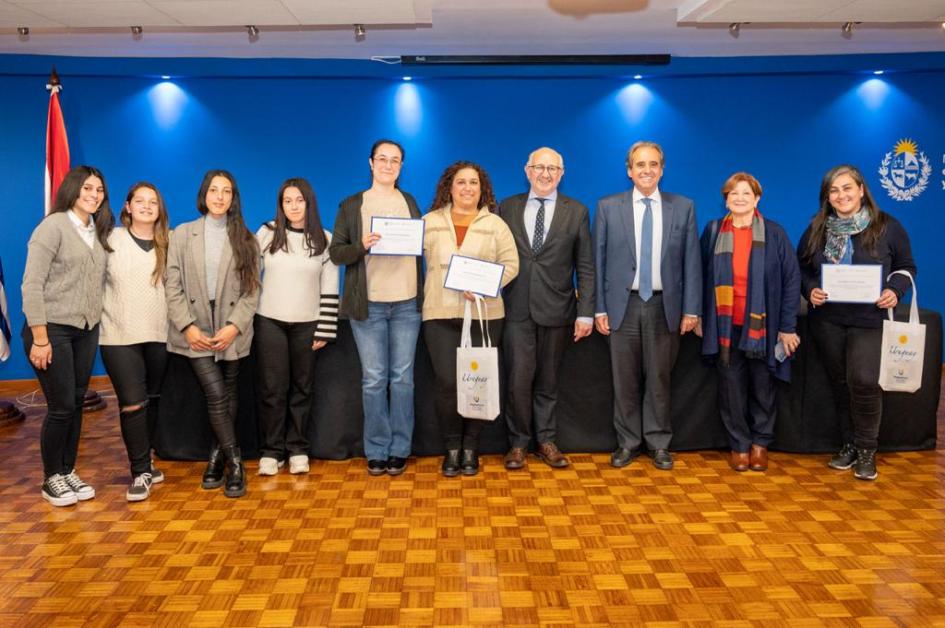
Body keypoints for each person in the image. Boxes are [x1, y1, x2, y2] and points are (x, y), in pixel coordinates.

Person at [797, 164, 916, 481]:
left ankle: (867, 450)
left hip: (870, 321)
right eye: (834, 190)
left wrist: (894, 290)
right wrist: (810, 290)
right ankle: (848, 443)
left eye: (847, 188)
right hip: (828, 322)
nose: (841, 195)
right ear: (828, 197)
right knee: (840, 385)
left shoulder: (887, 226)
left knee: (863, 381)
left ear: (862, 190)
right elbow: (803, 270)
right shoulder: (818, 229)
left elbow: (906, 266)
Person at [593, 141, 701, 470]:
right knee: (623, 379)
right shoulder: (608, 207)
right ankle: (627, 442)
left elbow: (692, 263)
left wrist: (692, 309)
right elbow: (597, 262)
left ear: (662, 169)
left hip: (663, 306)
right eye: (640, 164)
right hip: (621, 305)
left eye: (653, 164)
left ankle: (657, 442)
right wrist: (599, 308)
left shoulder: (682, 207)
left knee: (659, 379)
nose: (647, 170)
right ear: (629, 171)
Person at [329, 140, 424, 476]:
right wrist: (362, 246)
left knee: (402, 379)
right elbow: (337, 253)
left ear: (401, 166)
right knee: (373, 380)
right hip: (367, 304)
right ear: (370, 163)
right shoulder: (353, 204)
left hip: (408, 303)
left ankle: (400, 447)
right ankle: (377, 449)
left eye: (394, 160)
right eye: (382, 159)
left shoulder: (410, 202)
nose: (388, 165)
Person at [497, 147, 595, 470]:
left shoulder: (577, 211)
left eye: (552, 169)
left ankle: (547, 441)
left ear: (562, 174)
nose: (545, 174)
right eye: (539, 167)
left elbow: (586, 266)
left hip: (558, 310)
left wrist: (586, 312)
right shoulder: (506, 207)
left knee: (549, 382)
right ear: (527, 171)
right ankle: (518, 444)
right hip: (516, 309)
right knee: (517, 381)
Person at [21, 165, 113, 507]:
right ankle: (51, 479)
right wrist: (41, 338)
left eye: (99, 190)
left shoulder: (97, 230)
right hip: (51, 329)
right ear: (73, 189)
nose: (93, 195)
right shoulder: (53, 226)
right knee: (60, 407)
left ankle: (67, 470)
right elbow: (31, 284)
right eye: (87, 188)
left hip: (85, 330)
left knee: (75, 404)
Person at [165, 170, 260, 498]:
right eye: (214, 190)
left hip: (231, 326)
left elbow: (252, 291)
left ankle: (216, 457)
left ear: (234, 198)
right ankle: (235, 462)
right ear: (204, 194)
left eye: (227, 192)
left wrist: (235, 326)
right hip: (196, 325)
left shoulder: (246, 238)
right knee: (217, 394)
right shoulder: (182, 234)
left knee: (229, 391)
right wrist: (187, 326)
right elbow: (172, 284)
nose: (220, 197)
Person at [422, 161, 519, 477]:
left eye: (473, 183)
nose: (467, 188)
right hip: (439, 313)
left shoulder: (495, 224)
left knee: (478, 382)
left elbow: (511, 264)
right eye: (461, 182)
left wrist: (481, 286)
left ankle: (470, 448)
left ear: (482, 188)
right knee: (448, 384)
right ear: (449, 187)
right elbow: (406, 255)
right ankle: (452, 447)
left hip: (485, 316)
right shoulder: (430, 221)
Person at [699, 173, 801, 472]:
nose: (739, 198)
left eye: (746, 193)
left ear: (757, 199)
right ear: (726, 199)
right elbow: (701, 276)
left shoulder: (774, 233)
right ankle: (739, 446)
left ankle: (760, 444)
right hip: (726, 326)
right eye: (733, 193)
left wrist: (787, 327)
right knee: (730, 388)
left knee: (763, 387)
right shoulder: (714, 230)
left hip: (764, 328)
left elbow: (791, 281)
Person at [255, 178, 339, 476]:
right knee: (272, 390)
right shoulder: (267, 233)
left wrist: (325, 327)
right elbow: (250, 278)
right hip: (270, 322)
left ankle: (298, 448)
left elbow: (330, 286)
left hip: (308, 324)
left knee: (302, 389)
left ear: (309, 203)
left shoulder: (324, 240)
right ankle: (271, 451)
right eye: (287, 200)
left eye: (299, 200)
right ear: (281, 205)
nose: (293, 205)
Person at [99, 182, 171, 501]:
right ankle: (140, 470)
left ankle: (148, 460)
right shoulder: (109, 240)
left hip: (159, 334)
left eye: (152, 201)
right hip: (118, 336)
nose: (145, 206)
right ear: (127, 206)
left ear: (159, 208)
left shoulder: (168, 243)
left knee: (152, 399)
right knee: (132, 402)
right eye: (138, 201)